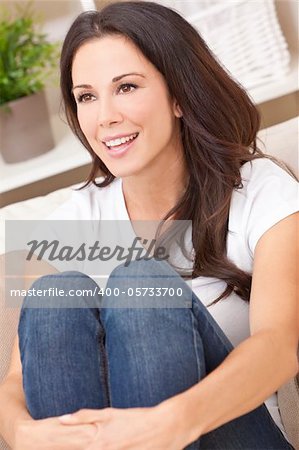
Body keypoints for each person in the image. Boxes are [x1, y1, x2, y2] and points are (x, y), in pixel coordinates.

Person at [0, 1, 298, 449]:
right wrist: (19, 432)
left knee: (140, 281)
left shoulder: (262, 190)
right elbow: (16, 383)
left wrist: (170, 423)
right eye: (86, 96)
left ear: (178, 94)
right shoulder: (63, 226)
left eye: (127, 87)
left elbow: (280, 347)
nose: (105, 117)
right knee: (54, 292)